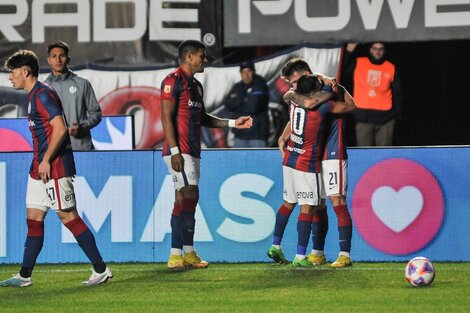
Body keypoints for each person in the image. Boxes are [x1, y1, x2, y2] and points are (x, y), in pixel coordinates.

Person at [0, 50, 112, 288]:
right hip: (40, 168)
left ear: (25, 71)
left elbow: (59, 128)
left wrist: (46, 159)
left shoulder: (42, 94)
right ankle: (24, 275)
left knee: (68, 216)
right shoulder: (34, 95)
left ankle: (101, 270)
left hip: (55, 166)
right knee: (34, 217)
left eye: (12, 72)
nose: (10, 77)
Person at [161, 40, 253, 270]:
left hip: (193, 151)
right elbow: (165, 117)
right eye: (202, 55)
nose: (206, 60)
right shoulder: (172, 82)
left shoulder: (196, 86)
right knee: (187, 194)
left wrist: (233, 123)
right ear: (189, 57)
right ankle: (175, 256)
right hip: (178, 151)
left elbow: (203, 118)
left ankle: (188, 253)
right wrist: (174, 151)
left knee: (186, 198)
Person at [268, 58, 354, 268]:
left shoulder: (327, 88)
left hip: (332, 151)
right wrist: (283, 136)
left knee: (337, 201)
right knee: (318, 204)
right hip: (314, 154)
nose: (293, 86)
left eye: (294, 81)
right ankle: (317, 252)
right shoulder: (306, 90)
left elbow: (349, 106)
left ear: (306, 73)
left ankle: (344, 254)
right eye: (290, 84)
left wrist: (335, 85)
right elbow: (300, 111)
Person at [44, 41, 102, 150]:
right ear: (49, 61)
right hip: (54, 149)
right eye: (54, 56)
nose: (58, 60)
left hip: (80, 146)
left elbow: (96, 113)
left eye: (62, 55)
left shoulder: (83, 84)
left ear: (68, 59)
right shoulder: (44, 88)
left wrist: (83, 127)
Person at [343, 42, 403, 146]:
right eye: (375, 48)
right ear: (370, 50)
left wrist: (396, 113)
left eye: (380, 49)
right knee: (364, 154)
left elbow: (398, 93)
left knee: (383, 156)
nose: (377, 51)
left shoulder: (391, 67)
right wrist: (348, 52)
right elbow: (341, 70)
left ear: (384, 51)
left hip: (386, 119)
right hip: (363, 118)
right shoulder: (359, 62)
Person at [224, 60, 270, 147]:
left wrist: (238, 103)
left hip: (257, 135)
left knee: (257, 161)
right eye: (243, 72)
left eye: (248, 71)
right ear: (240, 74)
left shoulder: (260, 84)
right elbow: (228, 104)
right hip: (240, 134)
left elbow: (253, 106)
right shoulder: (237, 86)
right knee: (239, 161)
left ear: (253, 72)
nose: (246, 75)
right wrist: (244, 99)